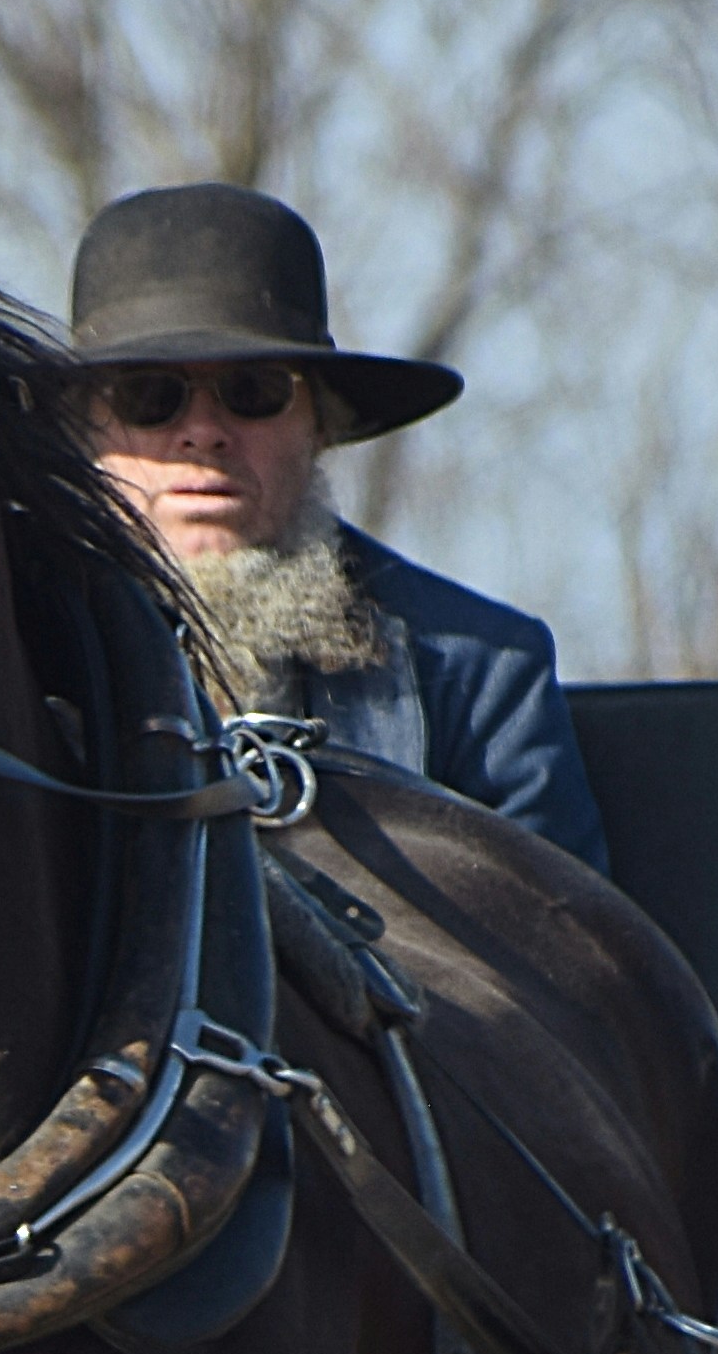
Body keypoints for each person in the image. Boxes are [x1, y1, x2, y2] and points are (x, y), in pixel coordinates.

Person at [52, 183, 607, 872]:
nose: (202, 433)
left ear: (322, 422)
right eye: (149, 396)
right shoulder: (2, 645)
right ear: (81, 432)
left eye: (254, 392)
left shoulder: (474, 676)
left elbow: (551, 961)